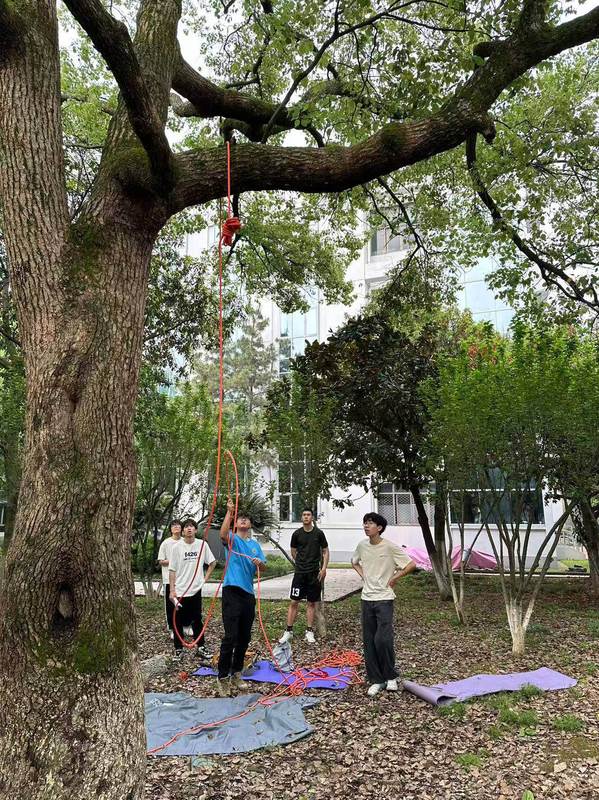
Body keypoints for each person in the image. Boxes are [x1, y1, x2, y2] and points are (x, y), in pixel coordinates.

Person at [351, 512, 416, 697]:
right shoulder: (362, 546)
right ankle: (376, 680)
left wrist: (394, 577)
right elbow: (354, 562)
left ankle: (390, 676)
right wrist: (363, 576)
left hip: (384, 598)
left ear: (379, 528)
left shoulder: (389, 547)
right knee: (369, 640)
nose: (366, 526)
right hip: (367, 598)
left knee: (383, 639)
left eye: (370, 523)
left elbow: (410, 565)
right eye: (365, 523)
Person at [217, 498, 266, 697]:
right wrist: (229, 512)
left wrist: (259, 563)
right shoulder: (232, 539)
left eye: (247, 519)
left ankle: (237, 672)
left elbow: (263, 566)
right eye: (240, 518)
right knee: (231, 636)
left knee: (244, 637)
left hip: (248, 594)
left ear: (250, 524)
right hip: (232, 591)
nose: (243, 520)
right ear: (236, 523)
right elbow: (222, 534)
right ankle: (222, 677)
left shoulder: (255, 545)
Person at [279, 508, 329, 645]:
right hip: (300, 574)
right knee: (294, 602)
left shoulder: (319, 533)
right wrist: (301, 563)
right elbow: (293, 551)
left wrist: (324, 568)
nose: (306, 517)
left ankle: (309, 631)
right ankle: (288, 630)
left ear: (312, 517)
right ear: (301, 517)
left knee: (311, 602)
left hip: (314, 574)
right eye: (304, 515)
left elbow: (325, 551)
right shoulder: (296, 534)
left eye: (308, 515)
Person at [169, 518, 216, 659]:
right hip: (180, 589)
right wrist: (172, 590)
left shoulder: (202, 545)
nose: (189, 529)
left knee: (197, 619)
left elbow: (212, 563)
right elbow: (172, 570)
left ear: (196, 530)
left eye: (192, 526)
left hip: (195, 590)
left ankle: (201, 647)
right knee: (177, 621)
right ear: (182, 531)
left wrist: (204, 579)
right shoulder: (176, 547)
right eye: (186, 527)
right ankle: (178, 649)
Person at [157, 519, 182, 638]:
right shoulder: (166, 543)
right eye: (173, 525)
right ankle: (172, 628)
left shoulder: (185, 542)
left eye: (178, 525)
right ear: (170, 529)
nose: (176, 527)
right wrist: (173, 561)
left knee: (184, 603)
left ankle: (185, 625)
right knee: (171, 605)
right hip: (169, 580)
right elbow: (161, 561)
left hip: (183, 579)